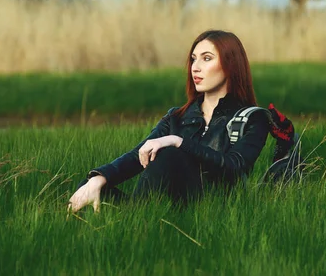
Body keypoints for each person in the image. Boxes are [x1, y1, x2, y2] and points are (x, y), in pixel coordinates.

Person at [67, 29, 294, 213]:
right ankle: (134, 221)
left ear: (230, 65)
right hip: (161, 207)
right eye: (194, 59)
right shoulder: (177, 116)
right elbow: (138, 156)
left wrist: (178, 142)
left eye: (207, 59)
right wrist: (99, 178)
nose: (195, 67)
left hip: (210, 210)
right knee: (89, 187)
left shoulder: (252, 118)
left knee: (168, 152)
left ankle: (136, 221)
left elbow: (235, 166)